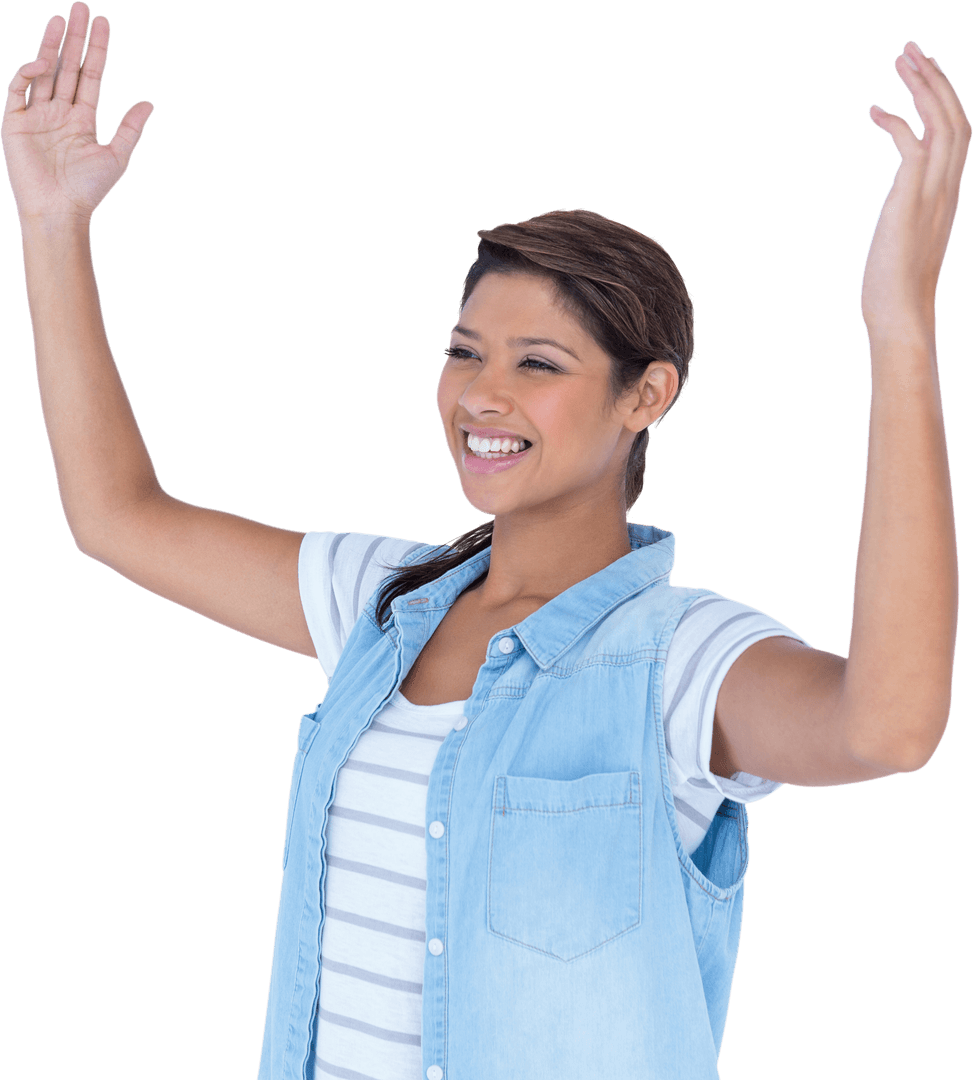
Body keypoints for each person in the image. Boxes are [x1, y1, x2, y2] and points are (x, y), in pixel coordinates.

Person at [2, 4, 966, 1079]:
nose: (480, 396)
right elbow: (115, 517)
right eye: (465, 352)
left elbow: (888, 729)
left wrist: (899, 327)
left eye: (538, 364)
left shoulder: (677, 660)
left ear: (646, 395)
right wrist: (52, 221)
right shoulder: (382, 605)